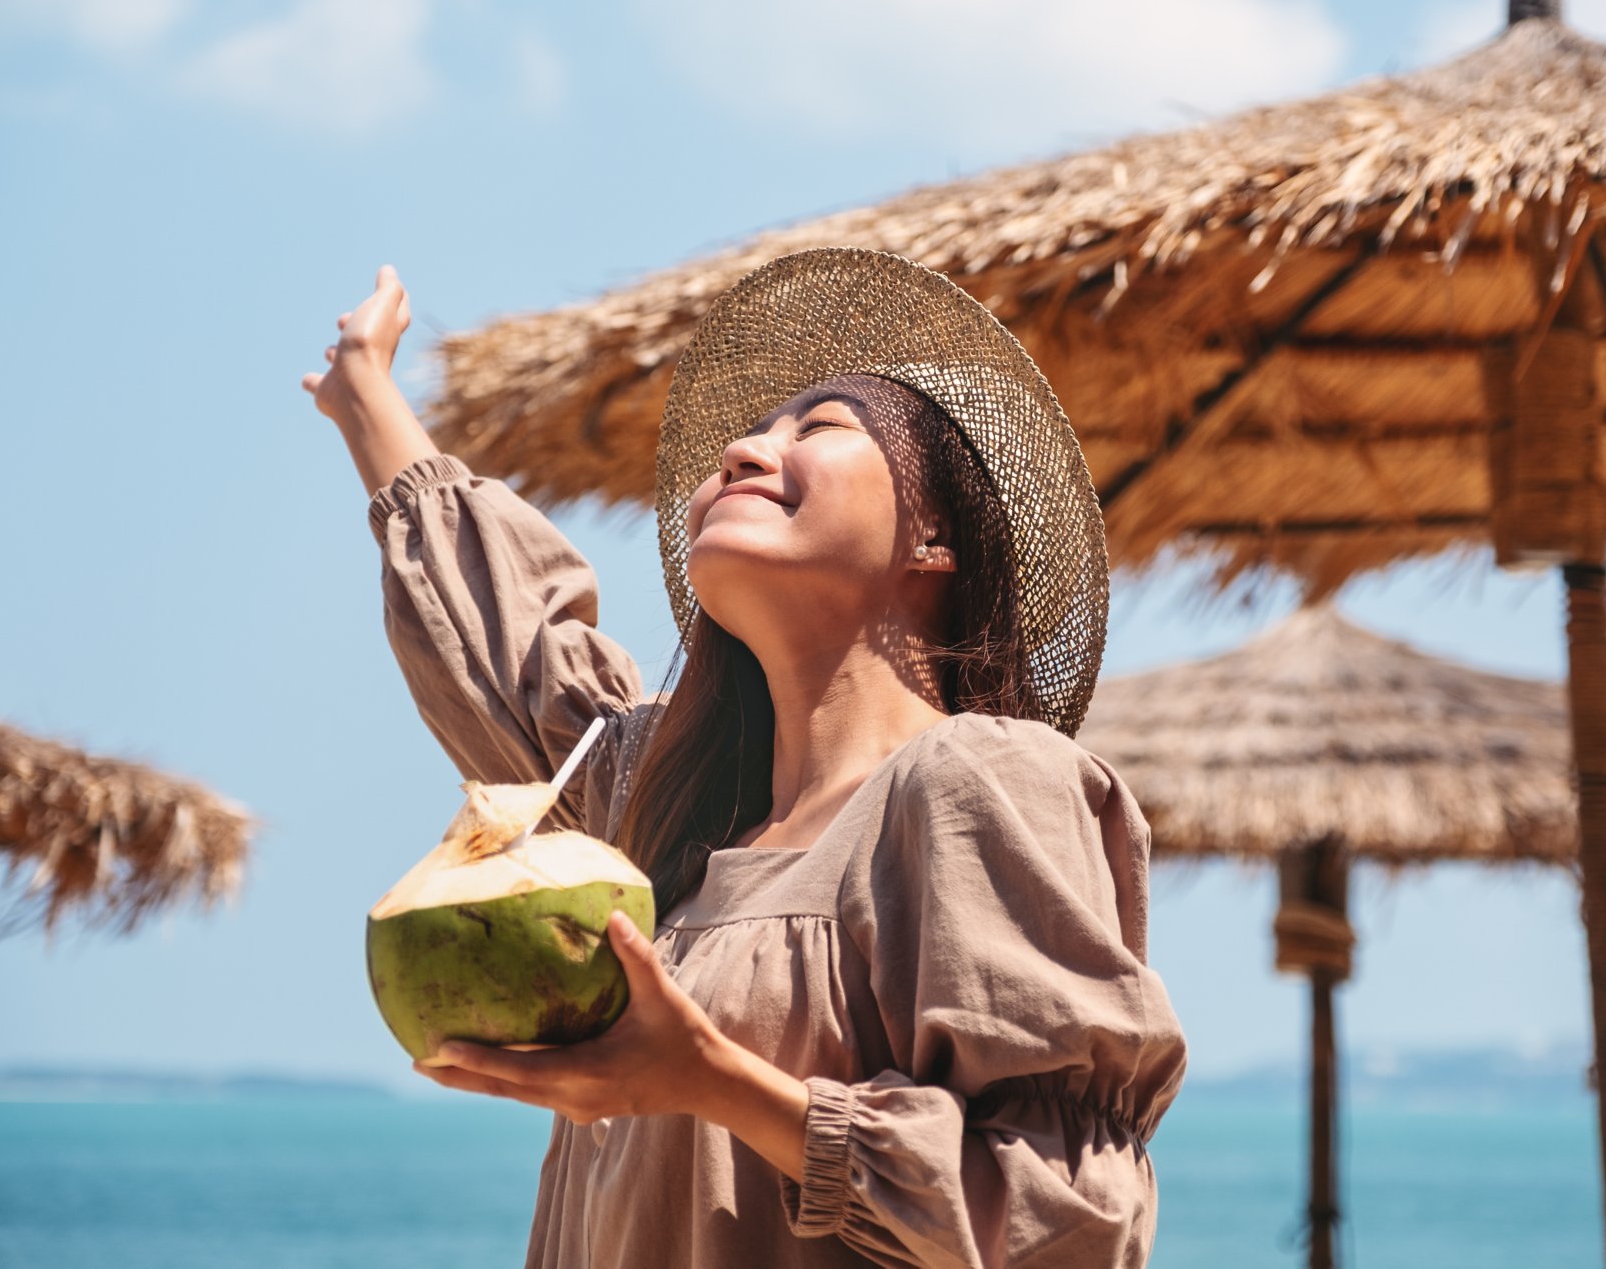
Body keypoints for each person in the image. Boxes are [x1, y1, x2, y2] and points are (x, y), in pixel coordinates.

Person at [302, 249, 1189, 1268]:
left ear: (934, 535)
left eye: (816, 429)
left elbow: (1069, 1213)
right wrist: (365, 391)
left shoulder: (975, 782)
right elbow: (506, 651)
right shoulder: (662, 805)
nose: (738, 448)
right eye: (754, 429)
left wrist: (711, 1075)